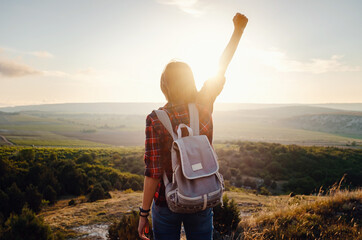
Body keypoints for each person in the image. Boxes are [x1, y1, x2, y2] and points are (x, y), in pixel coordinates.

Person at [138, 13, 248, 240]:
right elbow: (221, 67)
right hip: (202, 197)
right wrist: (237, 32)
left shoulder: (156, 119)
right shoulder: (203, 104)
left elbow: (153, 173)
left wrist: (143, 214)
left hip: (166, 203)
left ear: (164, 86)